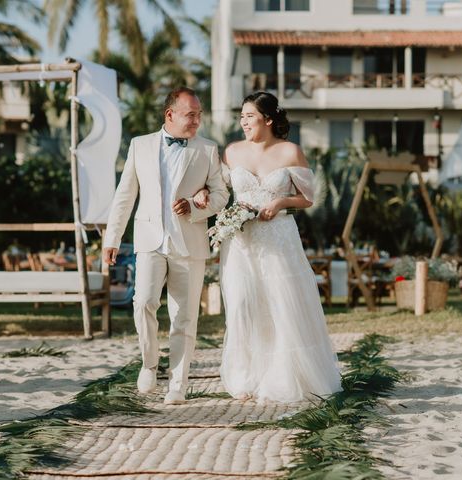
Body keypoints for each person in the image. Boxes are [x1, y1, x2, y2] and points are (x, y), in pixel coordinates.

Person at [196, 91, 342, 403]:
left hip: (278, 238)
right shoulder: (233, 151)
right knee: (243, 305)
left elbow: (309, 198)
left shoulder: (290, 151)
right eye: (242, 117)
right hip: (242, 242)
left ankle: (285, 376)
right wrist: (203, 196)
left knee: (281, 305)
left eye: (249, 116)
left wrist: (281, 201)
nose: (243, 122)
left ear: (269, 119)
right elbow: (218, 188)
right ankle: (246, 376)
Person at [102, 87, 229, 405]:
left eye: (199, 114)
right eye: (191, 114)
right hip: (149, 241)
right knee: (143, 301)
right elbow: (125, 195)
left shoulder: (208, 150)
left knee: (184, 317)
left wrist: (196, 207)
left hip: (190, 243)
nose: (197, 120)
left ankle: (178, 384)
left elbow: (221, 195)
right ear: (170, 114)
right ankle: (148, 364)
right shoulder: (140, 145)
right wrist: (112, 239)